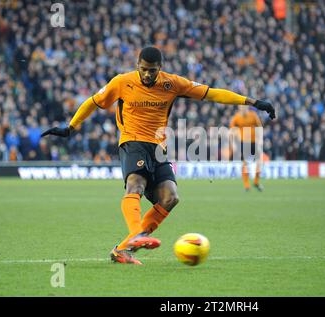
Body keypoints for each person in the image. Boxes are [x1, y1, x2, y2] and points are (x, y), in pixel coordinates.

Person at [41, 46, 275, 265]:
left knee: (170, 198)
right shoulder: (123, 82)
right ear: (137, 65)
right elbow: (93, 102)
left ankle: (122, 249)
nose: (147, 75)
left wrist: (253, 102)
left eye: (152, 71)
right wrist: (70, 127)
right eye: (143, 69)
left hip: (158, 148)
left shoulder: (172, 83)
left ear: (160, 68)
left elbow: (212, 94)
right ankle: (136, 234)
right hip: (132, 142)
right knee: (136, 184)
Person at [230, 106, 264, 192]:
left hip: (254, 142)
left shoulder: (253, 115)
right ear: (239, 108)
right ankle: (246, 186)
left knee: (259, 161)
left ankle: (256, 182)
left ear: (247, 108)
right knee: (245, 163)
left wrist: (260, 140)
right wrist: (233, 143)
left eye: (245, 108)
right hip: (243, 142)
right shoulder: (236, 117)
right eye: (241, 108)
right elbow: (231, 131)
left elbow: (259, 127)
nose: (243, 109)